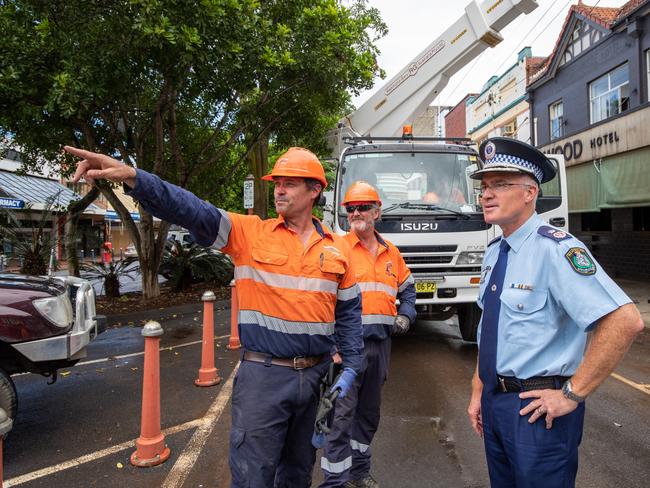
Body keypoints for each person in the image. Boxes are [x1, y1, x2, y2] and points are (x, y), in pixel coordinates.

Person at [64, 145, 364, 488]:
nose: (279, 189)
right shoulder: (249, 233)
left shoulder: (338, 249)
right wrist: (136, 178)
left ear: (315, 190)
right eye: (277, 182)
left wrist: (352, 367)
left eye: (290, 183)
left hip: (315, 377)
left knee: (297, 474)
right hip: (263, 378)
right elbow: (191, 210)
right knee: (253, 476)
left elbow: (349, 314)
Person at [465, 137, 644, 487]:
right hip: (495, 402)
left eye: (500, 185)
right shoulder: (494, 252)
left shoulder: (557, 249)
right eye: (484, 186)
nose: (486, 194)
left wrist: (572, 394)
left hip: (537, 411)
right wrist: (478, 389)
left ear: (530, 192)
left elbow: (625, 320)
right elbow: (492, 327)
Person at [320, 181, 416, 488]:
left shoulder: (392, 253)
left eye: (363, 207)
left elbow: (409, 289)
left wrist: (406, 316)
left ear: (377, 212)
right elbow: (321, 300)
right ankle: (335, 481)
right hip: (347, 349)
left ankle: (359, 474)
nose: (356, 213)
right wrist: (332, 345)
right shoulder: (337, 248)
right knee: (341, 418)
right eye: (351, 208)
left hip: (380, 348)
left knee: (368, 416)